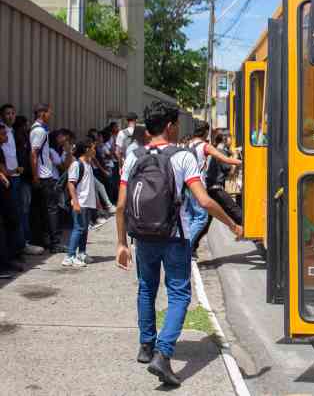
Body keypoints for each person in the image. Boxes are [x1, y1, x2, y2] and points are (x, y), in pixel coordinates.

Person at [115, 101, 243, 387]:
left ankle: (146, 345)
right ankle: (163, 354)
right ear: (170, 126)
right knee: (179, 295)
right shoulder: (182, 157)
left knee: (146, 288)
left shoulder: (133, 156)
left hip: (142, 237)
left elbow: (121, 205)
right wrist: (232, 223)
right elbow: (204, 201)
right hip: (175, 237)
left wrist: (121, 243)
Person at [185, 122, 242, 256]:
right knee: (202, 218)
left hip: (187, 185)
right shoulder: (205, 146)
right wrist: (242, 161)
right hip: (198, 185)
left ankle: (188, 248)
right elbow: (225, 159)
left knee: (192, 218)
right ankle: (185, 248)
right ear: (206, 132)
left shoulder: (188, 145)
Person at [1, 104, 44, 256]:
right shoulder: (3, 131)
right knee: (14, 213)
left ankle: (22, 244)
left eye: (13, 113)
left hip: (17, 176)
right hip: (7, 177)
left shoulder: (13, 132)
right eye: (7, 113)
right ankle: (18, 246)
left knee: (20, 211)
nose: (11, 116)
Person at [30, 103, 66, 253]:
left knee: (43, 210)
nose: (50, 115)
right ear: (42, 113)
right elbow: (34, 154)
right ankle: (54, 242)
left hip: (43, 174)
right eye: (49, 112)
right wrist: (35, 176)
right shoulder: (39, 131)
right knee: (52, 209)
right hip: (44, 176)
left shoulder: (40, 130)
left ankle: (43, 240)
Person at [63, 140, 98, 268]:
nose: (95, 151)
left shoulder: (88, 164)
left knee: (84, 229)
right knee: (78, 229)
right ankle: (69, 257)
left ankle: (81, 253)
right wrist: (76, 202)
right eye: (93, 148)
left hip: (88, 203)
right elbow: (71, 184)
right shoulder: (76, 165)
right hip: (80, 202)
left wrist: (96, 202)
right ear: (87, 149)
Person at [0, 125, 24, 276]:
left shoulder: (1, 150)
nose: (6, 136)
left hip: (5, 192)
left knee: (11, 224)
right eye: (3, 134)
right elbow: (4, 171)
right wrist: (9, 173)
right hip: (3, 193)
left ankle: (8, 259)